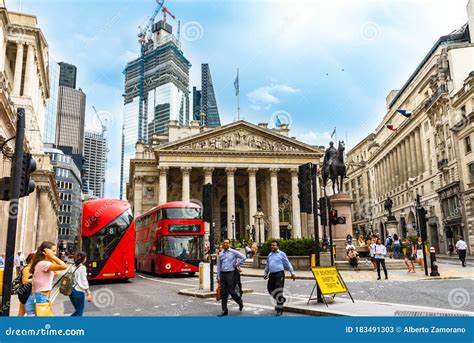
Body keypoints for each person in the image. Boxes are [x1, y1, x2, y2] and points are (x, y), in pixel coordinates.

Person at [25, 241, 68, 316]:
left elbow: (56, 273)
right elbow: (64, 266)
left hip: (39, 295)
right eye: (53, 251)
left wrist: (51, 258)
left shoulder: (42, 263)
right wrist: (52, 257)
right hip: (42, 297)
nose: (55, 253)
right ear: (45, 252)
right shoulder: (44, 264)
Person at [264, 240, 296, 316]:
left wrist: (292, 273)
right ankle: (281, 299)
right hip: (272, 274)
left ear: (278, 246)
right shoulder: (270, 255)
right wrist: (265, 273)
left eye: (274, 245)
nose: (272, 247)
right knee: (270, 289)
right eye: (271, 245)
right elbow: (267, 265)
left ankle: (279, 309)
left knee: (278, 291)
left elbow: (287, 263)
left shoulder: (281, 254)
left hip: (279, 274)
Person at [216, 239, 245, 316]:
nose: (225, 244)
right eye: (224, 243)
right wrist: (218, 276)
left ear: (229, 244)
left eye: (227, 243)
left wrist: (237, 264)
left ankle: (239, 301)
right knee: (224, 293)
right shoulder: (221, 253)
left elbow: (243, 257)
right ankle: (224, 310)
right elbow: (218, 266)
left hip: (230, 273)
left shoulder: (233, 252)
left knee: (232, 291)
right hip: (222, 274)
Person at [69, 252, 92, 316]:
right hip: (78, 292)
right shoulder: (82, 268)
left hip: (71, 291)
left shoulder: (73, 266)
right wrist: (88, 293)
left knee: (78, 311)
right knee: (79, 313)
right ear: (84, 259)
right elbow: (84, 281)